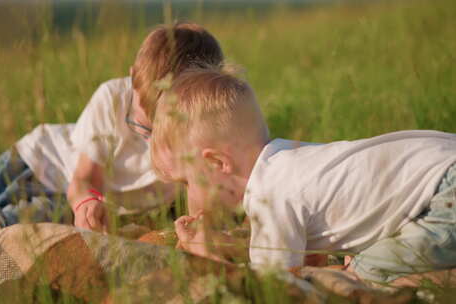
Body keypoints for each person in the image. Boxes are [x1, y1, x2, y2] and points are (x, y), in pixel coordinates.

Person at [0, 22, 224, 257]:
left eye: (163, 132)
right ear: (132, 79)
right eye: (143, 128)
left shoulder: (203, 125)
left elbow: (197, 187)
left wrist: (201, 225)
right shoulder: (113, 99)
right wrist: (88, 203)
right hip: (42, 162)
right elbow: (85, 177)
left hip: (63, 203)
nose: (151, 140)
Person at [150, 67, 456, 283]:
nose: (184, 195)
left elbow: (274, 288)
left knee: (366, 275)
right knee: (362, 262)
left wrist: (207, 256)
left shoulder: (268, 196)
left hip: (446, 195)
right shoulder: (288, 160)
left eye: (186, 183)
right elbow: (310, 263)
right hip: (442, 164)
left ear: (217, 163)